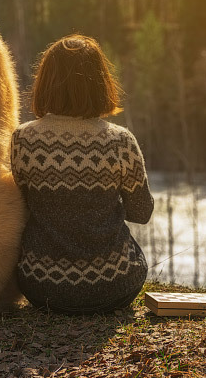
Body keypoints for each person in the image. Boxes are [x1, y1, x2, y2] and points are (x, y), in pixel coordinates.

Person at [10, 34, 154, 314]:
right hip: (115, 282)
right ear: (101, 83)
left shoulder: (23, 140)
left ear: (45, 83)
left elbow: (22, 207)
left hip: (41, 284)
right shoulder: (120, 141)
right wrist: (98, 206)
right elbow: (141, 212)